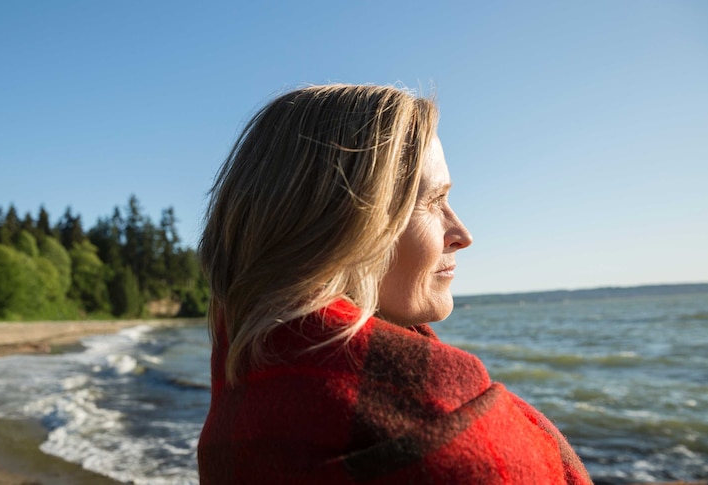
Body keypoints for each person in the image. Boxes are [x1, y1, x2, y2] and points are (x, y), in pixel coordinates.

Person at [197, 84, 592, 484]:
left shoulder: (247, 385)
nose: (461, 234)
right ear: (343, 227)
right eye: (434, 201)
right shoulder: (434, 427)